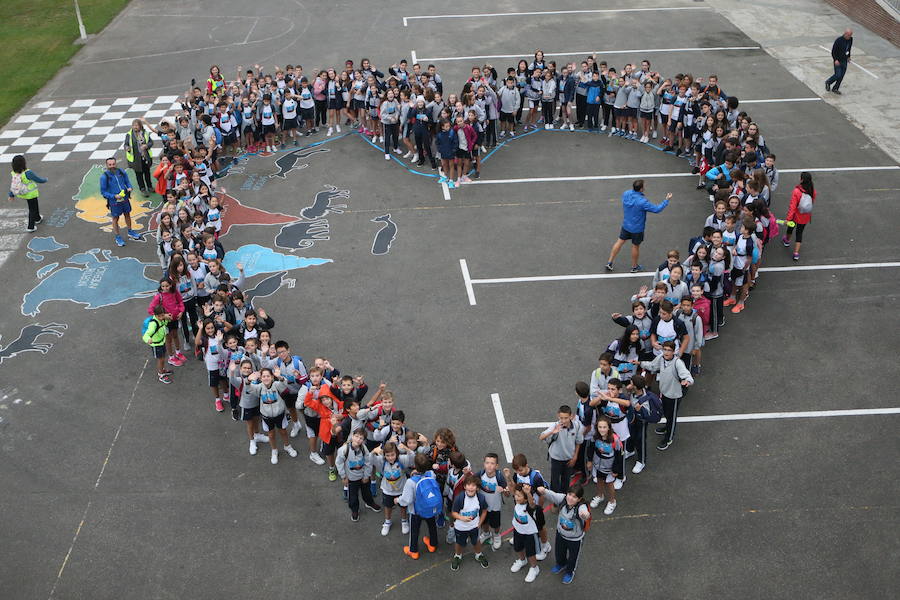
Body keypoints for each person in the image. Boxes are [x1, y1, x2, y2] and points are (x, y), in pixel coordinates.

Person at [606, 180, 672, 272]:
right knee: (635, 246)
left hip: (626, 225)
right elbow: (657, 209)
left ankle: (609, 262)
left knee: (619, 242)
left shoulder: (626, 194)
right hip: (637, 229)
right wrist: (666, 200)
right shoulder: (642, 202)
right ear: (641, 189)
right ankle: (634, 267)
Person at [640, 341, 693, 451]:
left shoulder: (678, 363)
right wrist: (640, 363)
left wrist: (687, 381)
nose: (666, 352)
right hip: (664, 393)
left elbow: (687, 376)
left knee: (671, 418)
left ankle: (669, 438)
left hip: (674, 395)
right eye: (665, 349)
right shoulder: (660, 358)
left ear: (674, 352)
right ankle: (666, 428)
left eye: (669, 350)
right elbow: (652, 366)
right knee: (667, 414)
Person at [535, 484, 591, 585]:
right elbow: (553, 495)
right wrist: (544, 491)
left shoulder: (581, 507)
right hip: (561, 534)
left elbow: (585, 513)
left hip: (575, 539)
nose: (570, 498)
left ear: (579, 499)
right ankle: (561, 564)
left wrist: (585, 515)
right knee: (559, 552)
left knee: (573, 557)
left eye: (574, 497)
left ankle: (570, 572)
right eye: (569, 494)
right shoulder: (563, 499)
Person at [449, 473, 490, 570]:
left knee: (476, 542)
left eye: (473, 485)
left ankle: (478, 554)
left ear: (477, 487)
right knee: (459, 543)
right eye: (468, 485)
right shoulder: (460, 498)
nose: (471, 488)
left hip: (474, 527)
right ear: (464, 486)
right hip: (460, 527)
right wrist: (462, 518)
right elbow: (453, 513)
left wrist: (479, 523)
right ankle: (458, 555)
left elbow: (484, 511)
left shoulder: (480, 498)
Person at [539, 405, 583, 493]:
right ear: (558, 416)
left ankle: (563, 497)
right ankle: (555, 500)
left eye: (566, 418)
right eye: (561, 418)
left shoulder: (577, 426)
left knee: (566, 480)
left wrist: (575, 457)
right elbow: (541, 437)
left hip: (569, 458)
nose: (563, 420)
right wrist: (552, 432)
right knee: (555, 480)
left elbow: (579, 442)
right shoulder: (555, 426)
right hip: (556, 459)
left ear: (571, 416)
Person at [99, 157, 142, 247]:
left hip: (125, 198)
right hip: (114, 202)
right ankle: (118, 236)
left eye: (113, 164)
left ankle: (130, 231)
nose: (112, 166)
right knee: (115, 218)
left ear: (116, 164)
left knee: (127, 214)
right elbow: (103, 192)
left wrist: (129, 187)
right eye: (110, 165)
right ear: (106, 165)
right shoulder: (104, 177)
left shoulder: (121, 172)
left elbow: (127, 181)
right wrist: (114, 196)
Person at [782, 172, 816, 261]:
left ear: (801, 180)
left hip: (795, 215)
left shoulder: (797, 191)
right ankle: (796, 253)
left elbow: (792, 206)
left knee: (790, 228)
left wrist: (788, 218)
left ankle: (787, 240)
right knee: (799, 233)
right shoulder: (812, 190)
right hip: (805, 216)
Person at [8, 155, 46, 232]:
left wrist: (11, 195)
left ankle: (37, 218)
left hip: (23, 193)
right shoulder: (28, 173)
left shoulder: (14, 173)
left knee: (34, 206)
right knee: (32, 208)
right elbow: (38, 179)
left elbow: (14, 185)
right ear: (24, 163)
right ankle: (30, 226)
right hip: (30, 194)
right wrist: (45, 180)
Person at [142, 305, 172, 384]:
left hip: (162, 342)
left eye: (163, 315)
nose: (162, 317)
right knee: (160, 359)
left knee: (163, 358)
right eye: (160, 316)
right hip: (156, 345)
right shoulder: (153, 324)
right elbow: (146, 335)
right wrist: (148, 339)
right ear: (155, 315)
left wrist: (167, 319)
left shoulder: (161, 319)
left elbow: (164, 325)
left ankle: (162, 370)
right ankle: (161, 374)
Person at [123, 119, 154, 195]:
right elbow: (126, 144)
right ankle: (142, 188)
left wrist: (146, 145)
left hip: (145, 156)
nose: (135, 127)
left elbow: (151, 142)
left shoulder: (145, 133)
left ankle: (149, 187)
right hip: (135, 158)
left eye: (136, 125)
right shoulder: (129, 135)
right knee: (139, 174)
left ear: (140, 126)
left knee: (147, 173)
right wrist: (127, 148)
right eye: (133, 125)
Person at [825, 29, 853, 95]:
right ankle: (828, 82)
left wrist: (848, 56)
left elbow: (849, 48)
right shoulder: (839, 40)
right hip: (838, 60)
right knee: (838, 75)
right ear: (845, 34)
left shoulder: (850, 39)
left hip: (844, 60)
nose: (849, 36)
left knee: (841, 76)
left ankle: (835, 88)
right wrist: (835, 60)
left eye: (850, 35)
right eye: (848, 35)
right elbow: (833, 51)